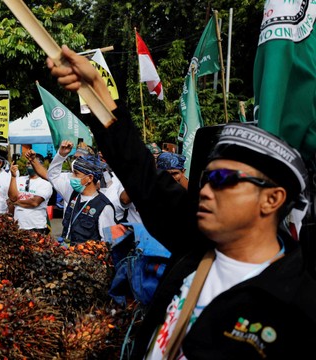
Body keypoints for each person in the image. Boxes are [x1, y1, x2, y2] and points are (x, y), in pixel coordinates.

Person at [47, 45, 316, 359]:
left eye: (223, 181)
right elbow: (142, 174)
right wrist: (95, 90)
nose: (204, 191)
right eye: (205, 179)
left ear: (272, 199)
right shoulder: (196, 246)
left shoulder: (298, 307)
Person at [47, 140, 116, 245]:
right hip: (65, 255)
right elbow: (53, 176)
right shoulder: (72, 193)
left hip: (86, 259)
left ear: (89, 178)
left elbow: (108, 243)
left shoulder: (104, 207)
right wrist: (61, 155)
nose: (72, 177)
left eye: (76, 174)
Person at [7, 152, 53, 234]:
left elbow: (34, 202)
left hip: (36, 227)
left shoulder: (45, 183)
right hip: (19, 226)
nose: (28, 165)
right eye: (27, 163)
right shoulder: (19, 179)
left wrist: (16, 202)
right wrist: (13, 177)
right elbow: (12, 197)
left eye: (31, 163)